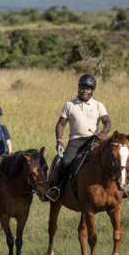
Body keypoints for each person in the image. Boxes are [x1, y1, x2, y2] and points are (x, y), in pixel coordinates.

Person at [46, 74, 111, 202]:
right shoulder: (69, 104)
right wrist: (59, 141)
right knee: (65, 162)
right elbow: (61, 124)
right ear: (78, 88)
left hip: (94, 140)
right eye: (82, 87)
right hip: (76, 140)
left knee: (113, 157)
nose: (84, 91)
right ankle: (56, 189)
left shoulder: (98, 105)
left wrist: (103, 134)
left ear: (92, 90)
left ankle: (120, 186)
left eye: (88, 88)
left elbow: (107, 122)